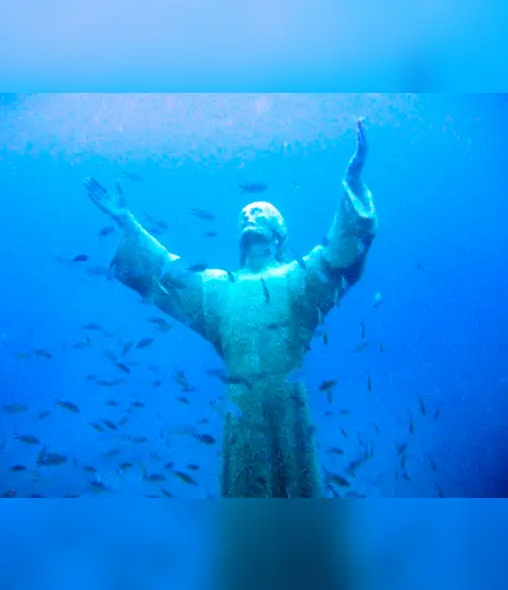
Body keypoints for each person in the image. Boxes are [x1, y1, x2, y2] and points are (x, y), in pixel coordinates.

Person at [83, 118, 377, 499]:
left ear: (277, 232)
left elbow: (340, 256)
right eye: (243, 216)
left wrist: (352, 182)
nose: (248, 218)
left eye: (258, 214)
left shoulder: (298, 281)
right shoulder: (217, 288)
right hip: (241, 403)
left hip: (288, 402)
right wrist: (127, 220)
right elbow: (166, 273)